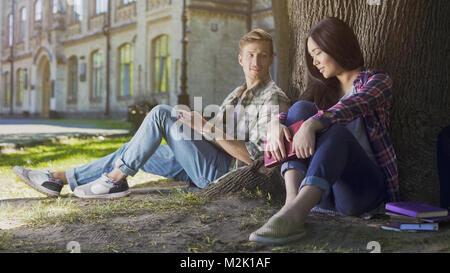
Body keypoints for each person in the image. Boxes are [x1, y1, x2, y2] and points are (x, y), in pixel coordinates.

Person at [13, 29, 290, 199]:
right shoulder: (237, 92)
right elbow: (214, 133)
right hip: (206, 160)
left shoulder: (273, 98)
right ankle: (58, 179)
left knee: (160, 113)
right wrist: (191, 123)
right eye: (251, 55)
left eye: (263, 55)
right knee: (134, 148)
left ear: (271, 59)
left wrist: (205, 128)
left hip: (223, 173)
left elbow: (257, 158)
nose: (256, 62)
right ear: (240, 59)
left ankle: (115, 180)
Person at [249, 17, 400, 244]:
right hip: (324, 193)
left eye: (318, 53)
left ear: (336, 45)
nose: (315, 62)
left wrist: (313, 123)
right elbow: (293, 114)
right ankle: (291, 204)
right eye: (311, 56)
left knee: (336, 131)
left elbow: (353, 106)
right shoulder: (321, 90)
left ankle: (295, 213)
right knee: (300, 108)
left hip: (363, 189)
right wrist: (274, 124)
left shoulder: (377, 81)